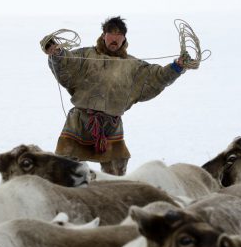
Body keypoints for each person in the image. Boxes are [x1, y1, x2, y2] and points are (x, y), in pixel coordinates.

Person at [41, 16, 186, 176]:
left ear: (124, 38)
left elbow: (156, 77)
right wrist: (56, 52)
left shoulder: (133, 66)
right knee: (66, 169)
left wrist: (176, 67)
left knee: (116, 174)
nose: (114, 39)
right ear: (104, 35)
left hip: (111, 124)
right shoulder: (86, 55)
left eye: (119, 35)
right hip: (79, 121)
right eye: (111, 34)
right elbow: (66, 62)